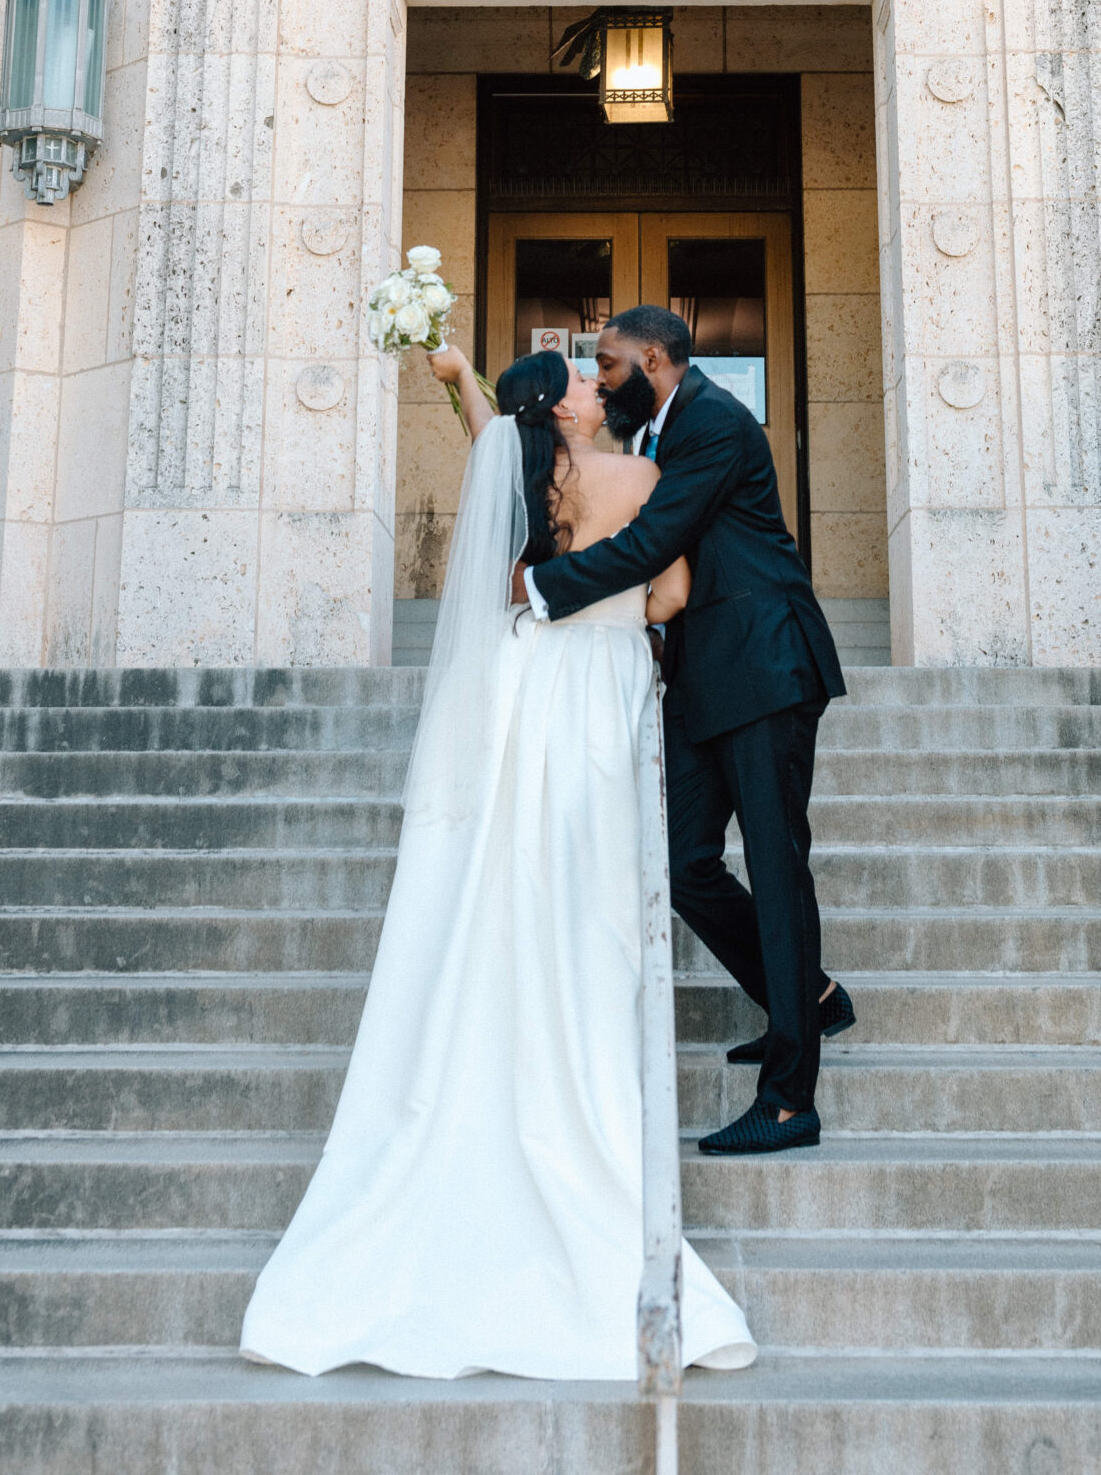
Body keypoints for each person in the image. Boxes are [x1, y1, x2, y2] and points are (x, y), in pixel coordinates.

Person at [240, 344, 755, 1380]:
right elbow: (669, 597)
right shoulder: (638, 479)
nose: (593, 387)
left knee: (513, 875)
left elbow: (492, 450)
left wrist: (453, 375)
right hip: (600, 688)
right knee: (588, 893)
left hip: (525, 686)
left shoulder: (517, 473)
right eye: (578, 380)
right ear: (561, 412)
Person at [517, 306, 853, 1157]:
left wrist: (543, 591)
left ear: (656, 360)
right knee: (681, 864)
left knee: (775, 870)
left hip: (765, 663)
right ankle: (808, 999)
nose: (600, 377)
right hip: (705, 674)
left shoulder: (712, 423)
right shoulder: (660, 431)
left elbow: (654, 542)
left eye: (609, 363)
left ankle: (787, 1101)